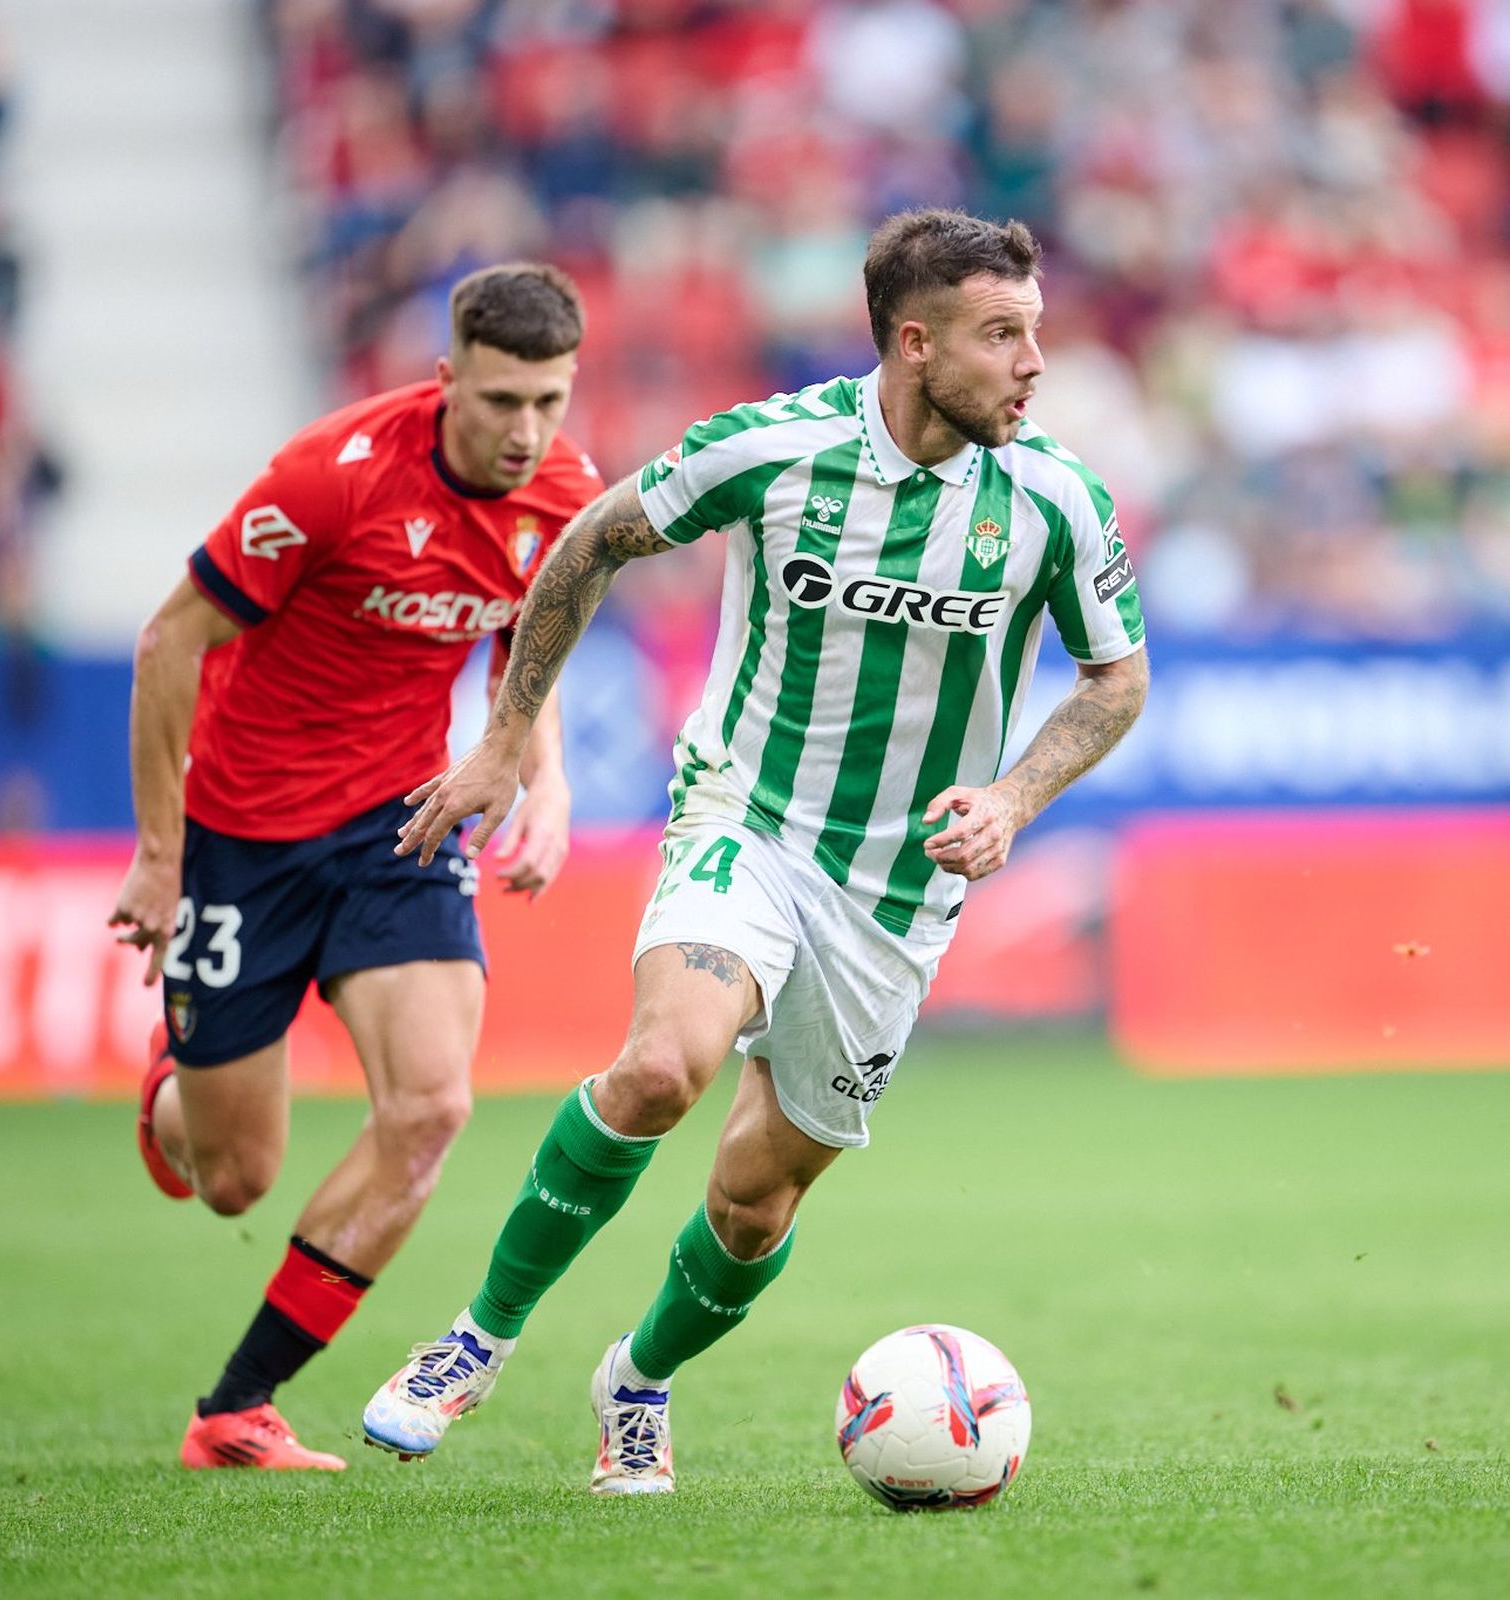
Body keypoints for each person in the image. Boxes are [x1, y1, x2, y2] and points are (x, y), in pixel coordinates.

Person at [360, 209, 1149, 1493]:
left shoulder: (1053, 496)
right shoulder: (772, 449)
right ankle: (475, 1340)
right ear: (914, 342)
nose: (1032, 363)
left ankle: (638, 1380)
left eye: (1033, 333)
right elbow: (586, 542)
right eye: (1001, 335)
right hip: (751, 819)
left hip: (900, 897)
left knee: (752, 1203)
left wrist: (1011, 798)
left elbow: (1117, 679)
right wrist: (505, 742)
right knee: (664, 1067)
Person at [107, 262, 602, 1471]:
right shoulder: (328, 481)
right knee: (233, 1176)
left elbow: (522, 652)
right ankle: (175, 1088)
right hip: (241, 832)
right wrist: (160, 856)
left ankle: (237, 1408)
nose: (524, 431)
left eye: (547, 401)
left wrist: (544, 781)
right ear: (446, 382)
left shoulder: (568, 496)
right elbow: (172, 638)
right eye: (499, 401)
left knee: (432, 1105)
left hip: (399, 827)